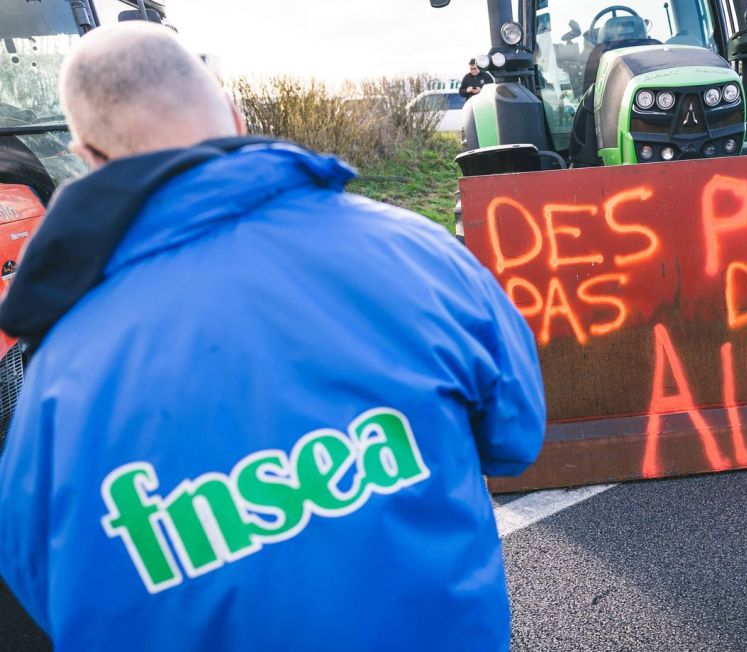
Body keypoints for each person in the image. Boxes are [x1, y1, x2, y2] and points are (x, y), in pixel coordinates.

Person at [0, 22, 545, 652]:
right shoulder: (416, 253)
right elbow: (516, 436)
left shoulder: (52, 377)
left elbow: (42, 585)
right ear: (234, 115)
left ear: (88, 156)